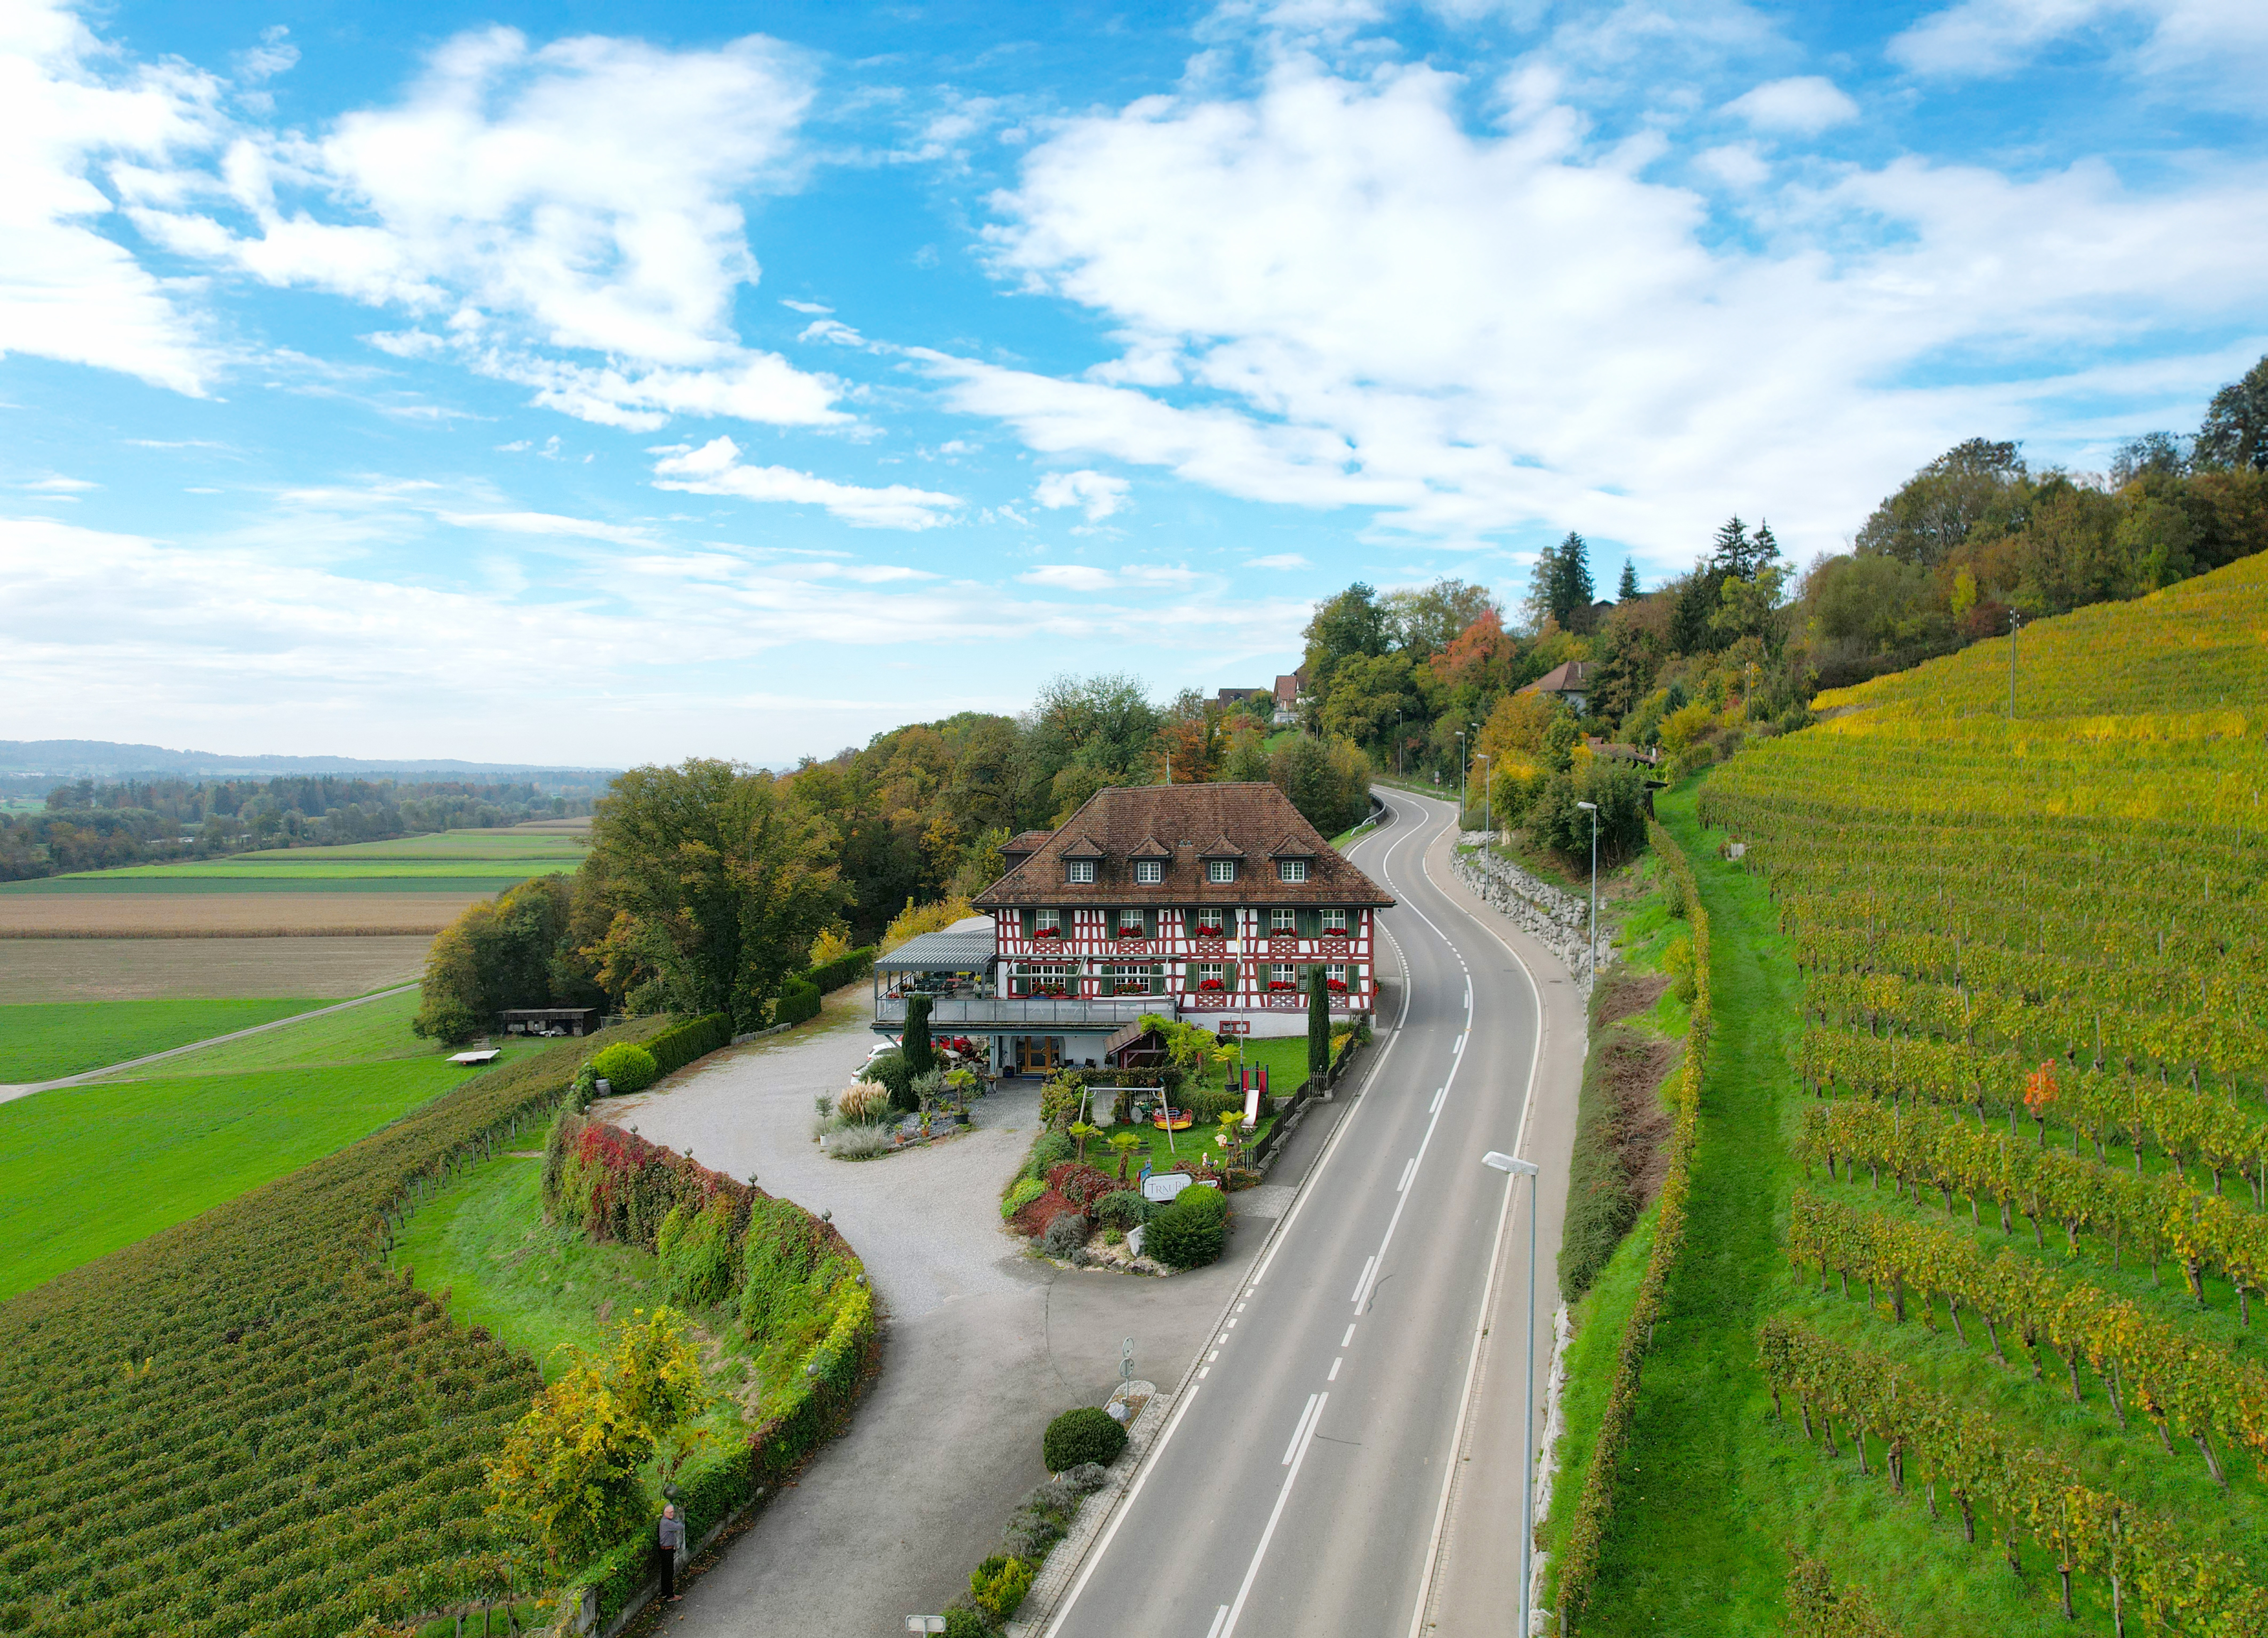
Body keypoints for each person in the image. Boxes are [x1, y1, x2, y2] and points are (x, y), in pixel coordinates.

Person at [656, 1503, 685, 1601]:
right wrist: (677, 1521)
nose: (672, 1514)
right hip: (667, 1551)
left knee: (665, 1573)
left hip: (666, 1550)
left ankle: (665, 1592)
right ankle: (670, 1595)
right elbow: (680, 1526)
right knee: (669, 1572)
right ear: (665, 1513)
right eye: (670, 1512)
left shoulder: (665, 1522)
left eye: (673, 1512)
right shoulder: (667, 1523)